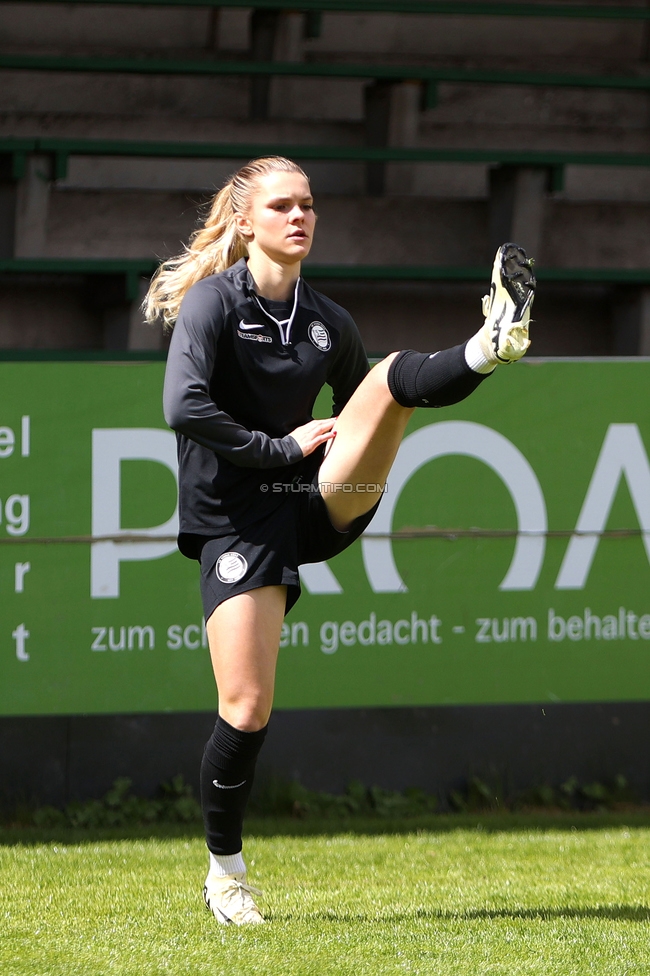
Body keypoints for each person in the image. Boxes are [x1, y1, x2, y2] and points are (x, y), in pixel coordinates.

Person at [144, 155, 535, 926]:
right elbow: (182, 406)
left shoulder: (328, 319)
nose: (300, 217)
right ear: (247, 220)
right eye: (283, 205)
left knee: (389, 376)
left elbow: (377, 398)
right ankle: (226, 875)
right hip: (238, 519)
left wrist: (307, 458)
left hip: (321, 506)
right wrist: (280, 449)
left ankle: (492, 345)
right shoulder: (212, 306)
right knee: (247, 707)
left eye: (309, 205)